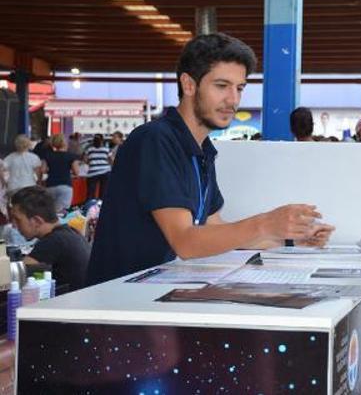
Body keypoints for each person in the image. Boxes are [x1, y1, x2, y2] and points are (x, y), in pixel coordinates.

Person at [86, 33, 334, 285]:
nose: (233, 100)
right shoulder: (155, 139)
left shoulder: (202, 150)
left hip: (155, 296)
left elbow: (214, 232)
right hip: (121, 303)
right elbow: (186, 241)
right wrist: (266, 223)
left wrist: (289, 239)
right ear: (189, 85)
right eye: (221, 86)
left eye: (239, 88)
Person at [10, 186, 90, 292]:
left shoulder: (52, 242)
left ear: (37, 221)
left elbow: (15, 277)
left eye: (17, 220)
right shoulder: (71, 233)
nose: (14, 225)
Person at [44, 134, 81, 212]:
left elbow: (43, 170)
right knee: (62, 213)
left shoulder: (48, 155)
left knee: (50, 212)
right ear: (64, 143)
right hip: (65, 185)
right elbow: (76, 172)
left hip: (50, 185)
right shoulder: (71, 156)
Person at [84, 134, 111, 201]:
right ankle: (101, 207)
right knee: (103, 192)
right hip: (105, 171)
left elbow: (85, 160)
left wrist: (92, 163)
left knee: (91, 192)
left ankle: (90, 207)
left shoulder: (89, 149)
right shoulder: (107, 149)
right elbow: (111, 160)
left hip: (92, 172)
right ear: (102, 141)